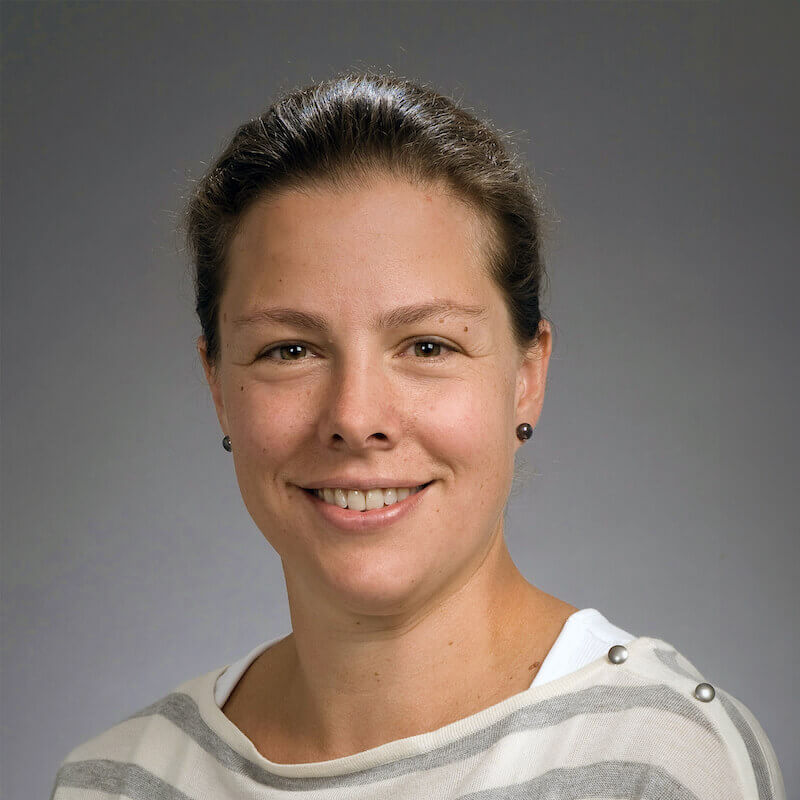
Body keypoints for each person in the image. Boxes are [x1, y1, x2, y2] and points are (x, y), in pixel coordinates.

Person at [49, 70, 785, 799]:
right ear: (217, 385)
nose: (355, 418)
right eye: (290, 350)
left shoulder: (657, 761)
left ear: (527, 376)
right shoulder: (117, 782)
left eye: (428, 346)